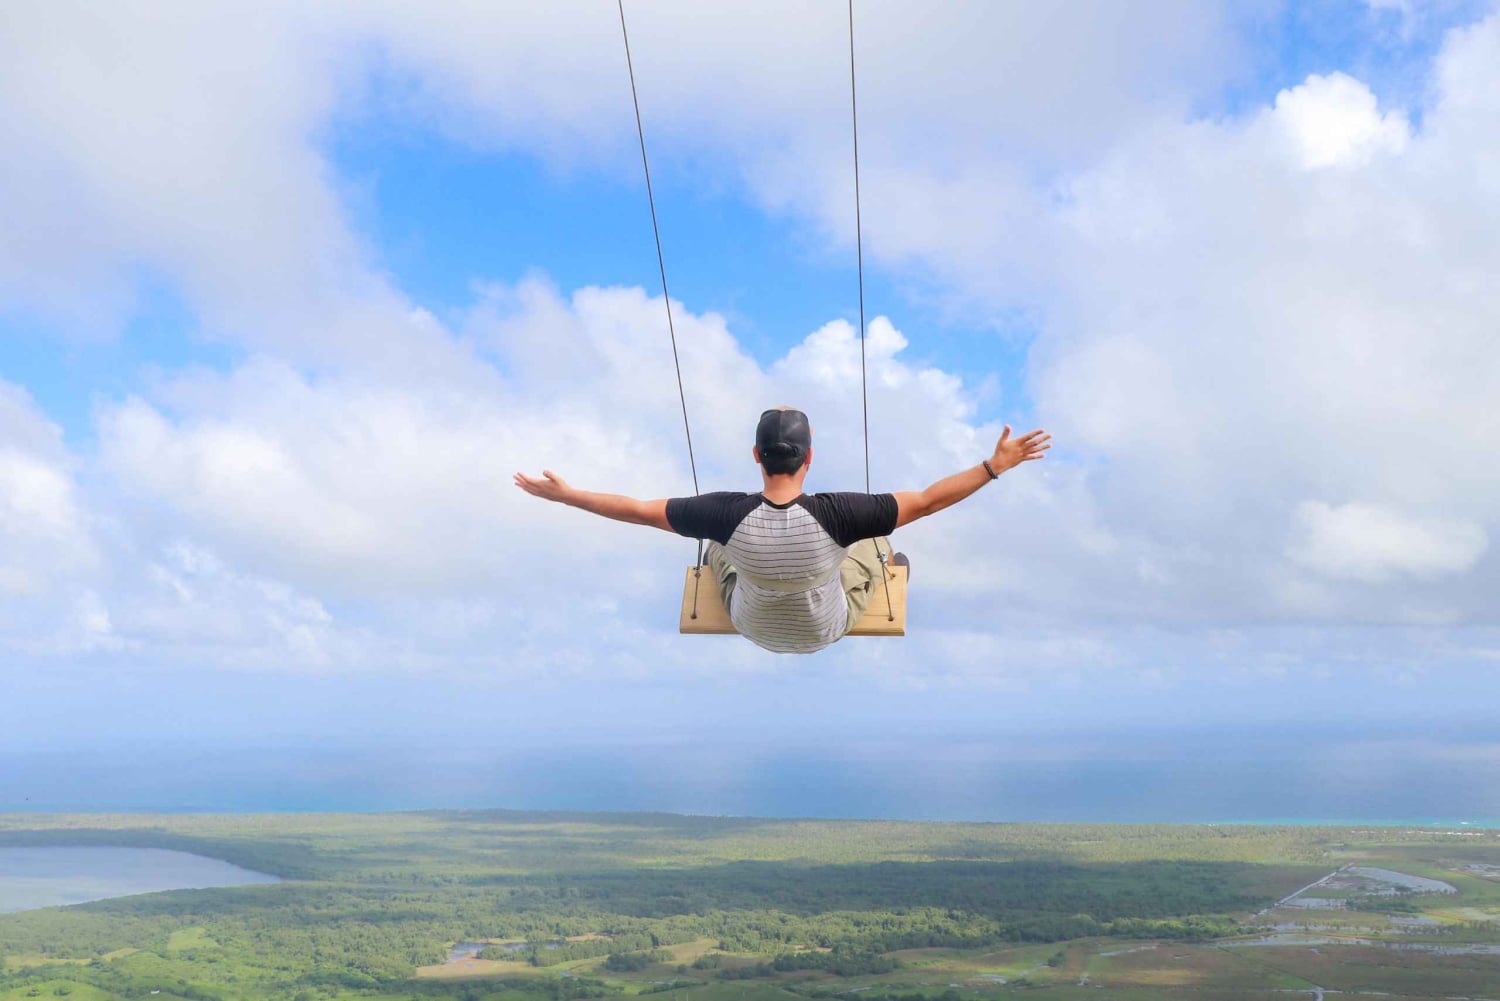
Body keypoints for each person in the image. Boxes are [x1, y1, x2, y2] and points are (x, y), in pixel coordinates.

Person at [513, 407, 1050, 654]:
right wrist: (993, 466)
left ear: (756, 456)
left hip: (753, 624)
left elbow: (637, 509)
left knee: (718, 549)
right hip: (824, 628)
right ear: (810, 458)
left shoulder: (725, 513)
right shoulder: (840, 514)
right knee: (877, 543)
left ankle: (728, 563)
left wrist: (566, 495)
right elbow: (930, 502)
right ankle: (886, 565)